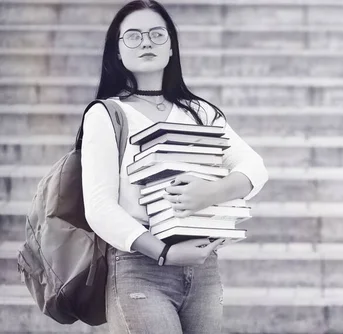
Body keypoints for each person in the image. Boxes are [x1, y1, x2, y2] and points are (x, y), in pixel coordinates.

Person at [79, 1, 269, 333]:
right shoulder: (107, 115)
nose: (147, 42)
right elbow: (99, 207)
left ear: (171, 49)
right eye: (133, 36)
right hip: (140, 266)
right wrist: (164, 253)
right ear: (118, 53)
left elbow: (254, 166)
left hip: (203, 270)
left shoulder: (201, 113)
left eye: (156, 34)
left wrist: (211, 192)